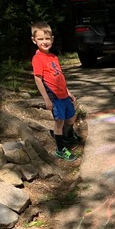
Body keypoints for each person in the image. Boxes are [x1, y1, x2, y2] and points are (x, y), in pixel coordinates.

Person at [31, 21, 80, 161]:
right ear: (34, 40)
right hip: (54, 97)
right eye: (40, 39)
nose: (44, 42)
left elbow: (59, 77)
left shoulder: (53, 57)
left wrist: (68, 91)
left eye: (47, 38)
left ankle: (69, 135)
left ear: (52, 39)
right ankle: (60, 149)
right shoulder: (37, 59)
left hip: (64, 95)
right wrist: (46, 99)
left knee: (71, 118)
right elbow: (38, 80)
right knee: (59, 122)